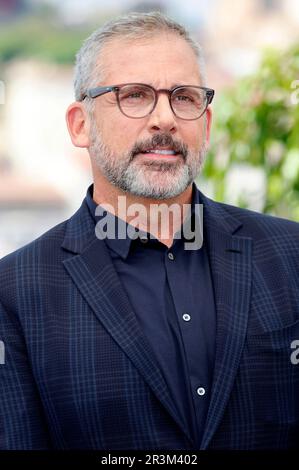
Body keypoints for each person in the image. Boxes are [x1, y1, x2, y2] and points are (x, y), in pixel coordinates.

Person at [0, 11, 298, 451]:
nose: (165, 119)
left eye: (184, 97)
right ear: (80, 125)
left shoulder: (290, 254)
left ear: (207, 123)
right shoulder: (15, 293)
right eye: (134, 95)